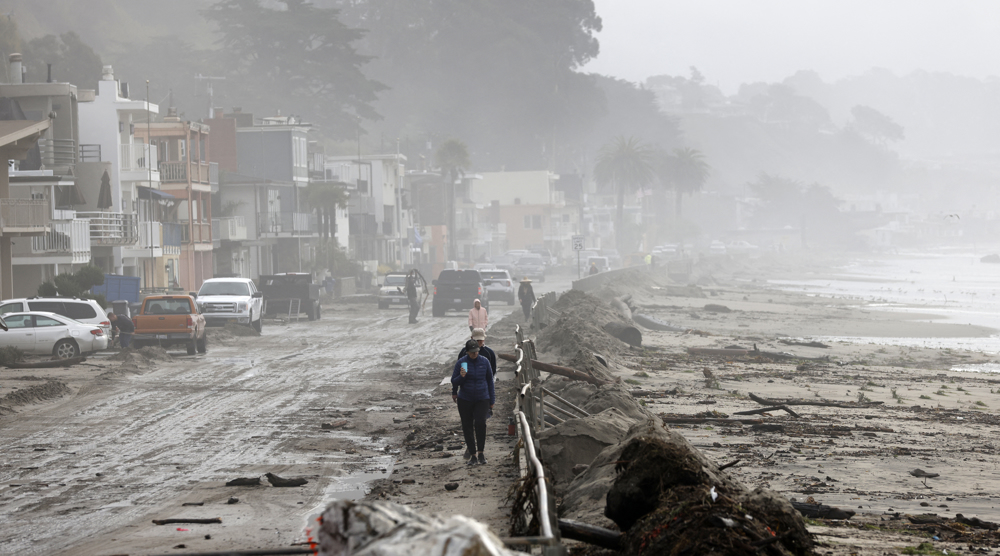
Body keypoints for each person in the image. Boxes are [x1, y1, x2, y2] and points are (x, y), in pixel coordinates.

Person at [451, 339, 495, 465]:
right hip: (465, 399)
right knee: (467, 426)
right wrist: (461, 376)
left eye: (476, 351)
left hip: (482, 398)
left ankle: (481, 453)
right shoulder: (462, 362)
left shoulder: (485, 362)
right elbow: (454, 381)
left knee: (481, 423)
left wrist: (492, 400)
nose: (474, 354)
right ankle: (473, 455)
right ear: (467, 352)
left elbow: (490, 381)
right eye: (472, 352)